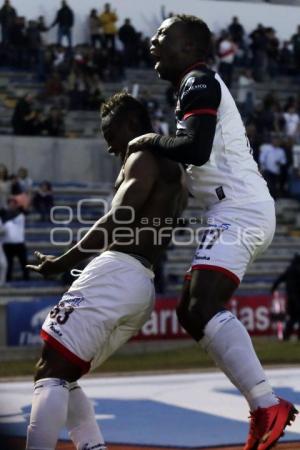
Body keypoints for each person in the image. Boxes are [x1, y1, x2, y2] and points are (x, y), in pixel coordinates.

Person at [127, 15, 298, 450]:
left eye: (163, 36)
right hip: (230, 208)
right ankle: (263, 404)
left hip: (238, 208)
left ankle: (267, 404)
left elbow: (196, 148)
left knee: (202, 304)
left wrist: (147, 141)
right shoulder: (193, 85)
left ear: (188, 46)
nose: (153, 43)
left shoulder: (198, 81)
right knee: (188, 309)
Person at [25, 92, 187, 450]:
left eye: (110, 136)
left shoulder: (143, 155)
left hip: (117, 271)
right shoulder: (174, 164)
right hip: (141, 285)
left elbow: (119, 218)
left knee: (50, 370)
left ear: (130, 124)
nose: (111, 148)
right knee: (65, 375)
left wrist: (63, 262)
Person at [271, 254, 300, 340]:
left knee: (292, 318)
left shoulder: (289, 270)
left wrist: (273, 288)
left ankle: (286, 336)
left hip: (290, 298)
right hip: (298, 298)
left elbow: (280, 279)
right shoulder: (298, 270)